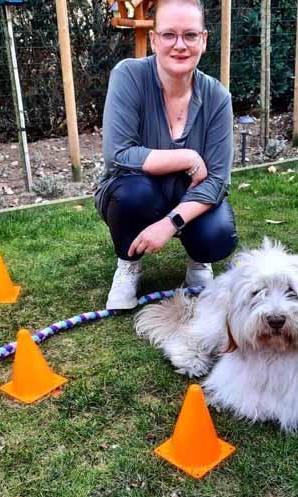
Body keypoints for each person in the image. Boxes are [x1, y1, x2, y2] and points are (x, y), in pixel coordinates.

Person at [95, 0, 238, 310]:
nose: (180, 45)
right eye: (169, 34)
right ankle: (128, 265)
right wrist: (188, 158)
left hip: (188, 197)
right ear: (154, 39)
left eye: (190, 35)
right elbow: (119, 154)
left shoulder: (218, 97)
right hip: (137, 190)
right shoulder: (129, 75)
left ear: (203, 40)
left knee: (218, 233)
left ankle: (198, 261)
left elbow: (217, 180)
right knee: (133, 196)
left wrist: (170, 223)